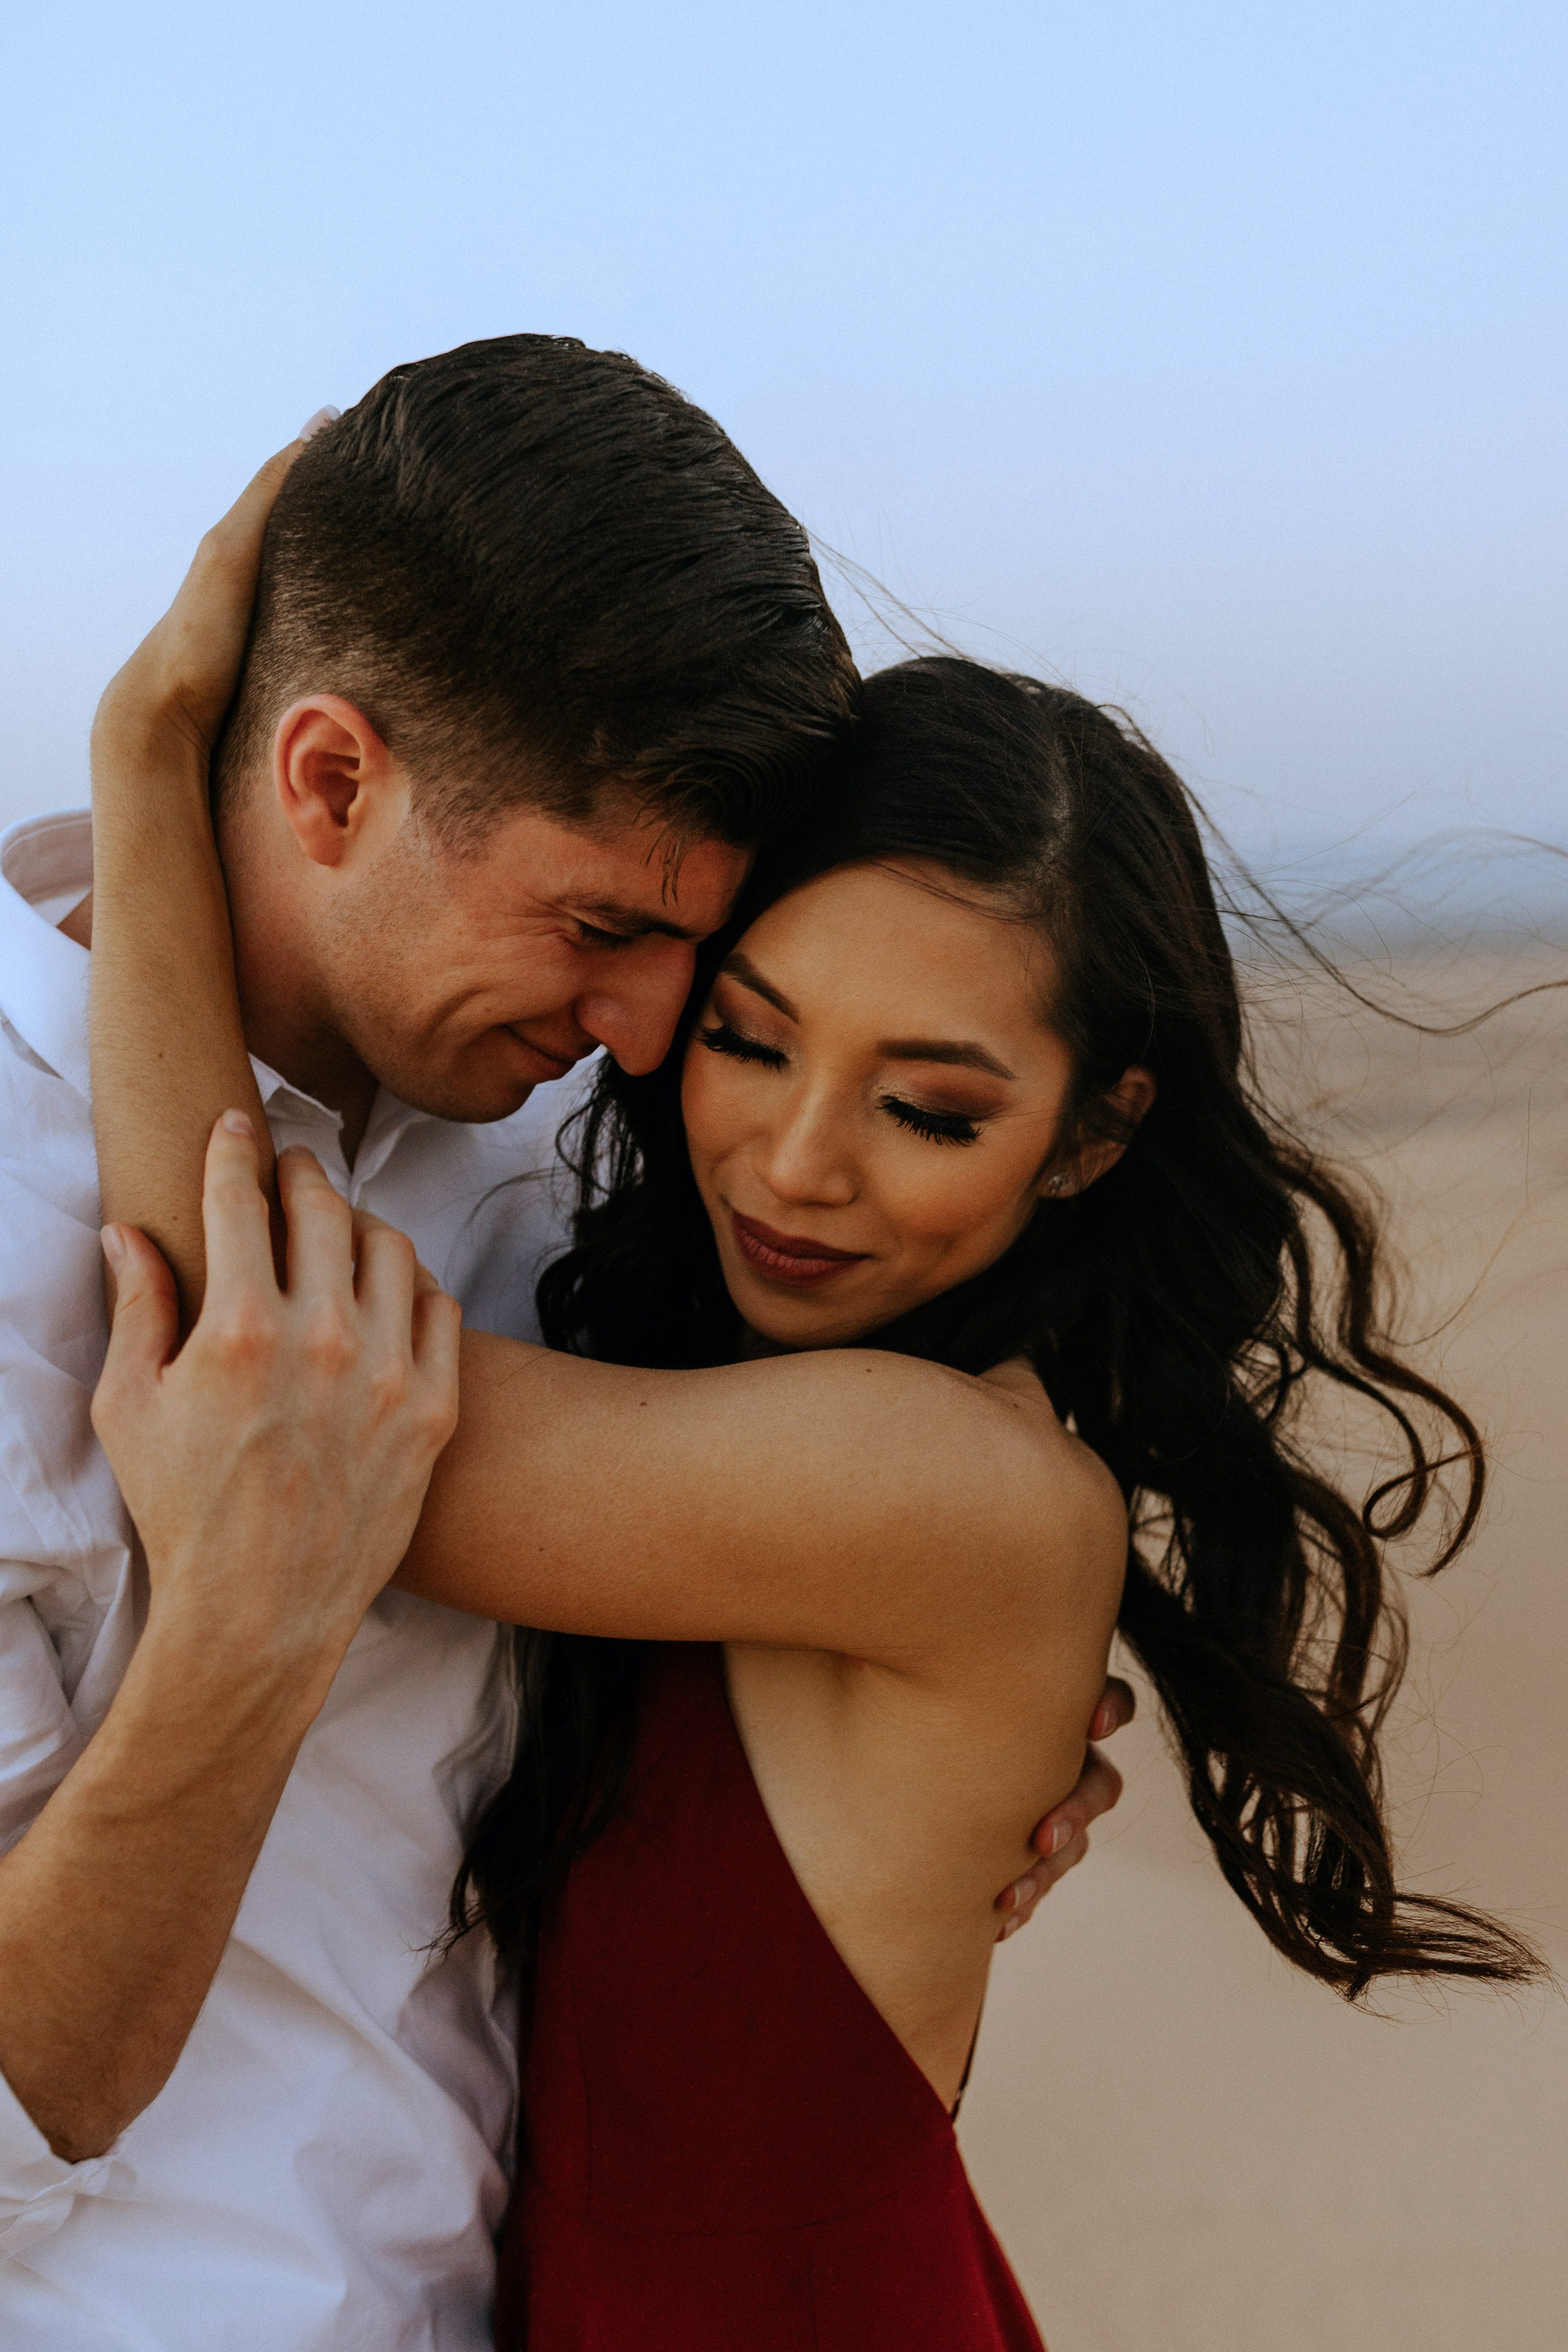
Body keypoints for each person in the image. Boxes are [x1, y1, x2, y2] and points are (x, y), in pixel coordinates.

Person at [86, 598, 1540, 2333]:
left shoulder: (952, 1489)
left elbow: (269, 1366)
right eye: (750, 1036)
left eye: (928, 1109)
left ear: (1092, 1137)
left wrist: (150, 756)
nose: (791, 1162)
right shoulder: (724, 1393)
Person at [0, 352, 1121, 2350]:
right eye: (603, 930)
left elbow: (266, 1333)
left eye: (700, 964)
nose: (653, 1041)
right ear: (330, 779)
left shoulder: (539, 1140)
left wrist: (923, 1752)